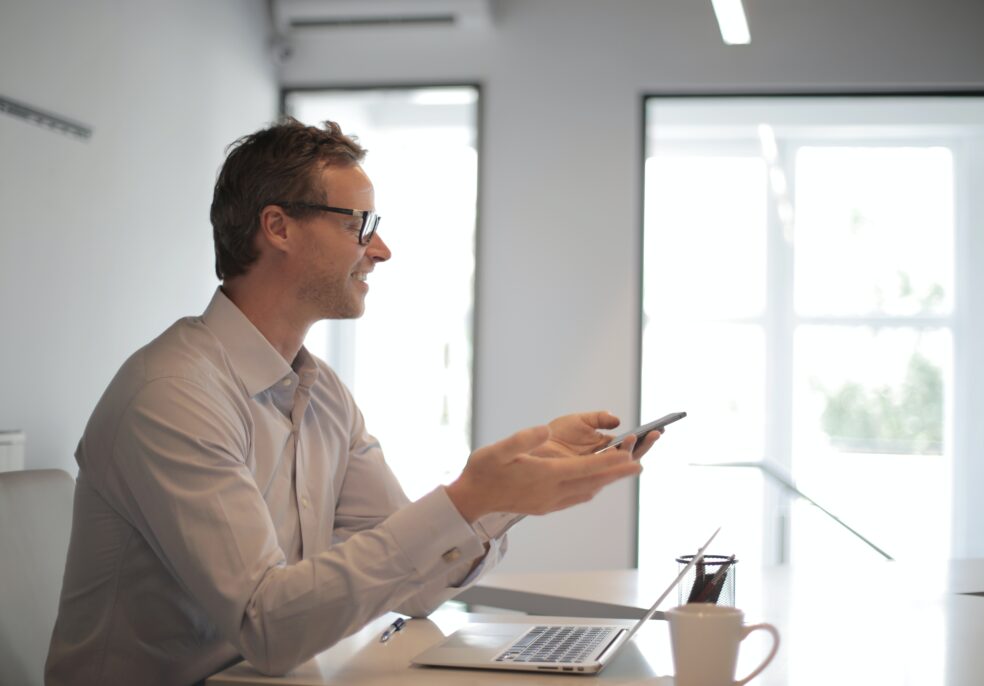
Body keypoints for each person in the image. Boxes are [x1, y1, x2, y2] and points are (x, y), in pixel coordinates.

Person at [45, 118, 659, 685]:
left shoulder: (322, 395)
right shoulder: (173, 397)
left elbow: (413, 588)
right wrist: (469, 498)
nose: (381, 249)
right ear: (278, 227)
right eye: (357, 224)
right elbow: (268, 626)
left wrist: (502, 496)